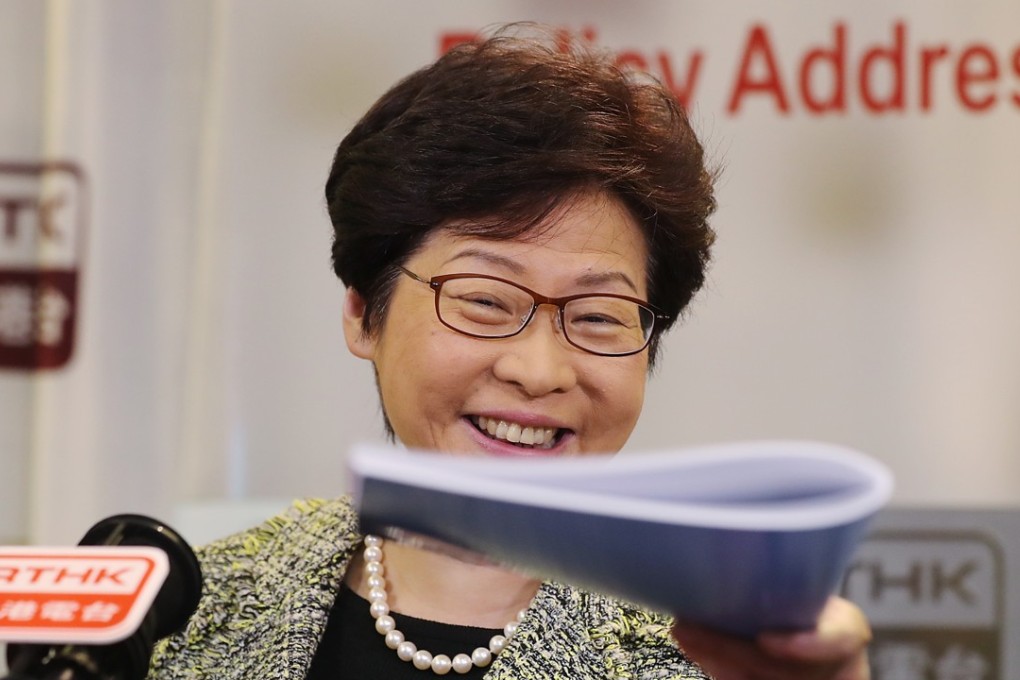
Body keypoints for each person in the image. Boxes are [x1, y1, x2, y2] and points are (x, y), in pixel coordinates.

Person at [149, 26, 871, 680]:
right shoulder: (192, 610)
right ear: (363, 311)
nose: (538, 371)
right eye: (486, 301)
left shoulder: (718, 654)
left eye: (597, 316)